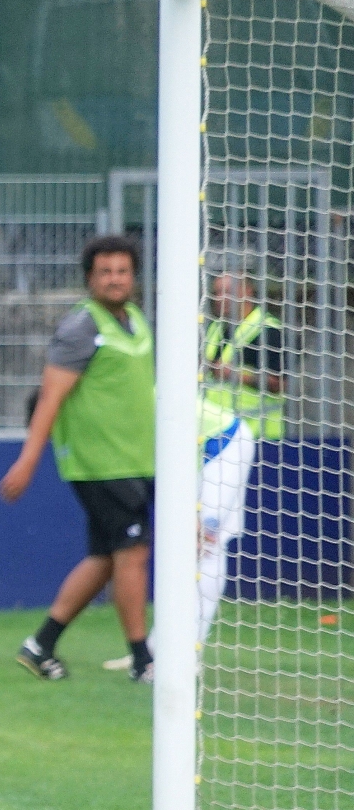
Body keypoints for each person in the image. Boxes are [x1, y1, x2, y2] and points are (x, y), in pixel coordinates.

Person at [0, 235, 155, 682]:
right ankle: (142, 660)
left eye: (122, 271)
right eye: (105, 272)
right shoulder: (81, 328)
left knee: (106, 558)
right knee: (133, 552)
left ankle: (41, 645)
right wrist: (28, 459)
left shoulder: (136, 320)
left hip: (135, 460)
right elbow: (50, 397)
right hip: (99, 463)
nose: (114, 280)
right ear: (89, 278)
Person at [104, 271, 277, 669]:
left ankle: (185, 654)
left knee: (205, 544)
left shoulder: (136, 402)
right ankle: (160, 649)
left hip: (228, 446)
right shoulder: (132, 399)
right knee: (193, 546)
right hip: (206, 452)